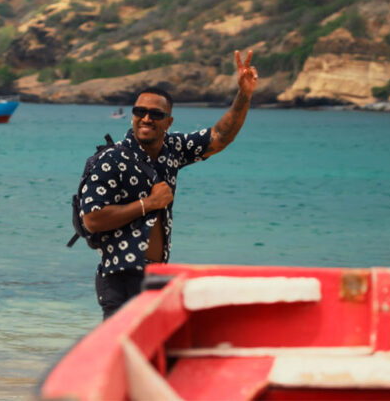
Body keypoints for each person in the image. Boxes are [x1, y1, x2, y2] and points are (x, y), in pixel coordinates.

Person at [79, 50, 258, 319]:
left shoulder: (172, 149)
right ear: (132, 116)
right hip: (120, 276)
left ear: (169, 121)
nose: (146, 118)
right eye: (140, 112)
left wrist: (244, 95)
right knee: (122, 344)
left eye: (155, 114)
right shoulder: (112, 159)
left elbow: (220, 136)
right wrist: (148, 204)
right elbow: (91, 220)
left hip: (156, 275)